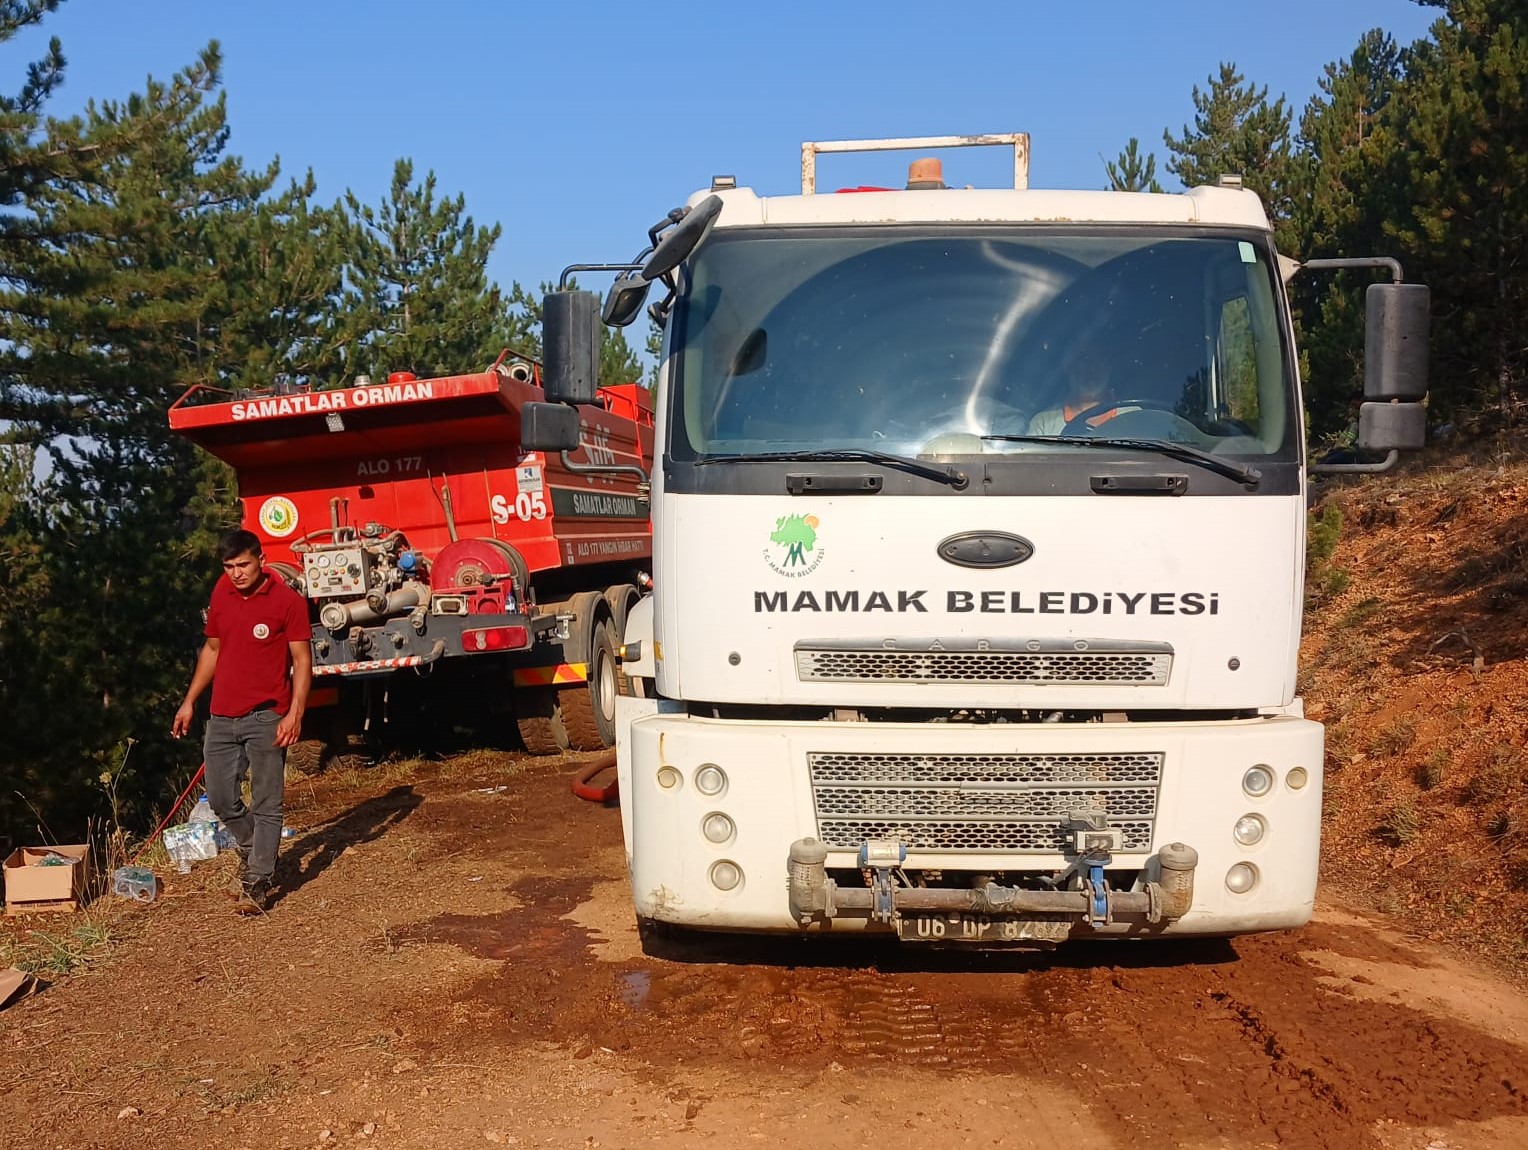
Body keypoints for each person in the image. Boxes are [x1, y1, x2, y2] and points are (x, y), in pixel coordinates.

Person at [172, 529, 312, 913]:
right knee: (220, 799)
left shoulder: (288, 602)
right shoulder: (222, 592)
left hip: (267, 716)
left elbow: (302, 661)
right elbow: (213, 649)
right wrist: (189, 702)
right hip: (221, 716)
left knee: (268, 801)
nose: (236, 573)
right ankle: (258, 853)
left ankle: (259, 879)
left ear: (261, 560)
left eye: (243, 565)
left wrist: (295, 713)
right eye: (229, 566)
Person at [1026, 356, 1123, 436]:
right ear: (1068, 368)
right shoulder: (1044, 423)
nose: (1092, 369)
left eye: (1099, 362)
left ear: (1109, 368)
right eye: (1084, 360)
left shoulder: (1134, 416)